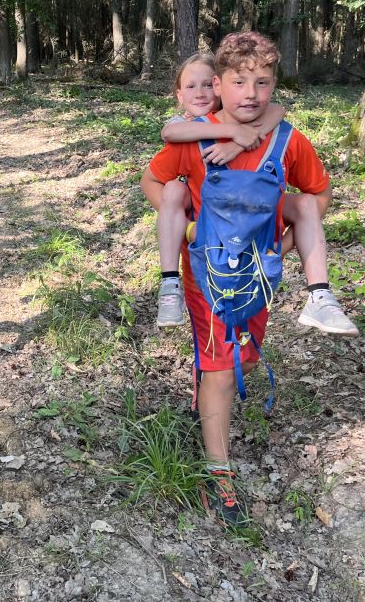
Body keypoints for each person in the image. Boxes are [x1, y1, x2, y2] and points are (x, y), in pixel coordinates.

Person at [140, 31, 345, 526]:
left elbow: (316, 195)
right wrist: (188, 228)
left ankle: (208, 389)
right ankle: (219, 473)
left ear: (274, 85)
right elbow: (154, 180)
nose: (251, 94)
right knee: (220, 370)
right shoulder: (196, 135)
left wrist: (282, 245)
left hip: (258, 278)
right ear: (219, 85)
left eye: (263, 83)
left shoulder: (288, 140)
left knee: (242, 362)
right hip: (206, 276)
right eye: (239, 82)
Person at [153, 53, 357, 338]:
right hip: (209, 236)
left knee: (305, 203)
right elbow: (169, 134)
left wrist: (238, 142)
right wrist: (189, 229)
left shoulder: (258, 119)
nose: (200, 93)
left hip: (255, 235)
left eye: (207, 85)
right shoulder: (187, 127)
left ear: (218, 86)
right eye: (190, 86)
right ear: (179, 93)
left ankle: (319, 294)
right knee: (174, 188)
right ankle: (169, 283)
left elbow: (278, 110)